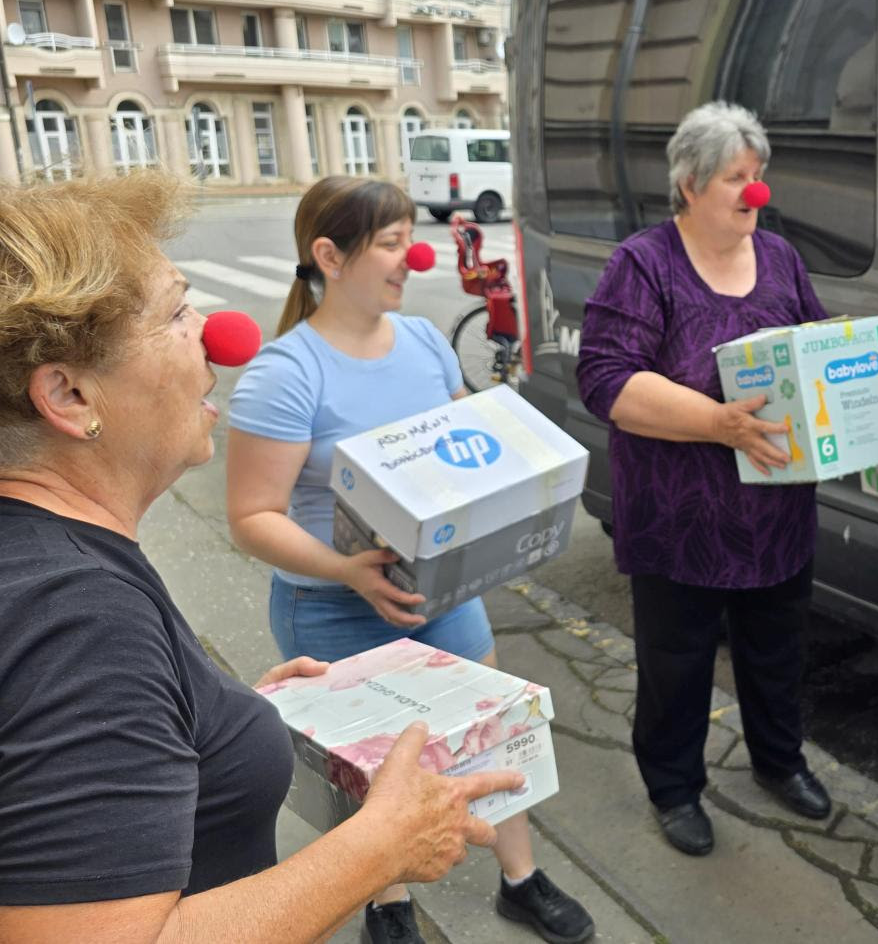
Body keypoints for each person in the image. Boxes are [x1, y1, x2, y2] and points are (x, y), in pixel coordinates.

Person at [0, 171, 520, 941]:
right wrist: (381, 848)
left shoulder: (52, 571)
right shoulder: (78, 621)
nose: (218, 332)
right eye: (177, 310)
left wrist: (214, 711)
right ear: (71, 397)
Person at [225, 176, 593, 944]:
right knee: (372, 772)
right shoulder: (286, 374)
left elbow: (466, 451)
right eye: (392, 244)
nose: (412, 258)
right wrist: (347, 570)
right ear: (330, 254)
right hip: (331, 607)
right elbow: (252, 518)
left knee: (494, 733)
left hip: (442, 595)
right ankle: (388, 908)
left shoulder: (425, 342)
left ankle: (521, 881)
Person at [576, 101, 833, 857]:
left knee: (777, 648)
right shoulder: (643, 263)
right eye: (735, 179)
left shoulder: (780, 258)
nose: (755, 194)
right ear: (689, 185)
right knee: (677, 663)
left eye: (759, 177)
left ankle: (780, 762)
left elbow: (813, 340)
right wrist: (719, 421)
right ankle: (674, 787)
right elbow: (607, 380)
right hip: (679, 516)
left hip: (777, 508)